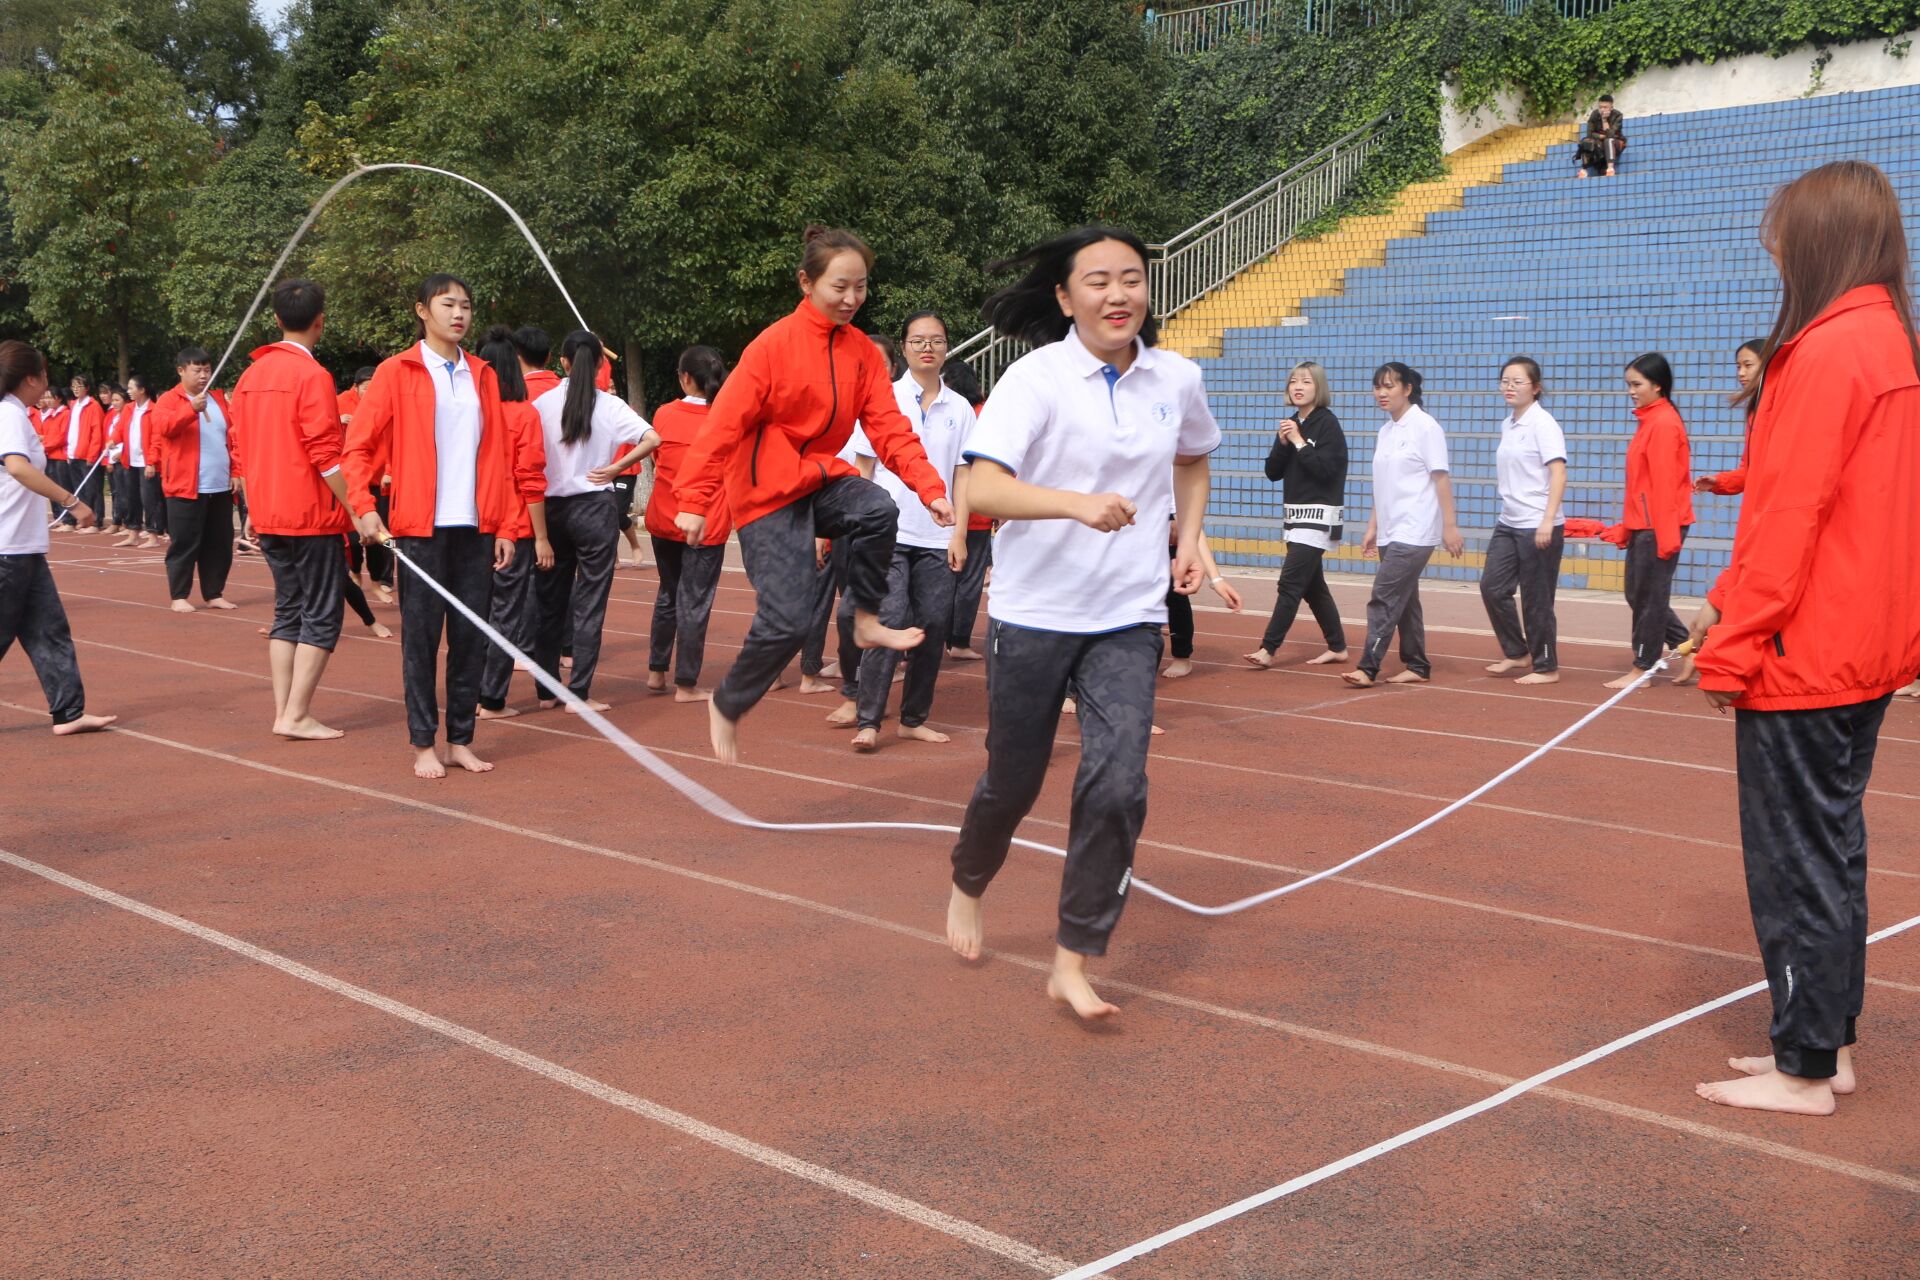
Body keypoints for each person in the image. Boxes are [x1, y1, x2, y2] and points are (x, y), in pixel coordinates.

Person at [1688, 160, 1920, 1116]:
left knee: (1795, 864)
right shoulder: (1884, 343)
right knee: (1831, 853)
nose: (1775, 255)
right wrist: (1723, 598)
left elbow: (1790, 518)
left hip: (1807, 655)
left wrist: (1732, 644)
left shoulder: (1827, 353)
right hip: (1852, 646)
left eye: (1784, 237)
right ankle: (1822, 1042)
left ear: (1821, 239)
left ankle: (1806, 1068)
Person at [945, 225, 1219, 1019]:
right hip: (1035, 613)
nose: (1118, 294)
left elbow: (1194, 456)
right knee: (1015, 780)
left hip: (1128, 618)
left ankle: (1073, 957)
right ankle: (969, 879)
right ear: (1066, 298)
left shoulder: (1176, 377)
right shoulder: (1035, 380)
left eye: (1131, 277)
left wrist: (1189, 538)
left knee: (1118, 784)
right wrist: (1076, 505)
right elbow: (985, 490)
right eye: (1097, 280)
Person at [673, 226, 952, 765]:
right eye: (839, 287)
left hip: (817, 477)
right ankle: (729, 704)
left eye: (862, 288)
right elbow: (723, 425)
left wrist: (931, 488)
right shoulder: (772, 347)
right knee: (789, 620)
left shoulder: (864, 355)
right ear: (806, 282)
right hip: (765, 491)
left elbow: (889, 428)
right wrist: (694, 497)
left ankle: (866, 616)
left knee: (878, 507)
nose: (852, 299)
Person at [344, 273, 519, 780]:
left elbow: (499, 457)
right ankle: (423, 742)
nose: (459, 313)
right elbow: (359, 446)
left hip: (476, 527)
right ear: (423, 310)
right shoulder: (396, 372)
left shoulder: (483, 374)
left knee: (471, 639)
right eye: (448, 304)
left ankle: (460, 738)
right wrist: (363, 503)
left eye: (466, 305)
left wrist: (507, 524)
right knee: (420, 640)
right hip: (419, 528)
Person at [228, 278, 361, 741]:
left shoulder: (250, 377)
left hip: (268, 511)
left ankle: (286, 709)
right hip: (308, 513)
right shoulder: (312, 376)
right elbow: (325, 454)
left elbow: (240, 449)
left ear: (278, 319)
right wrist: (358, 509)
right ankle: (296, 713)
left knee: (289, 608)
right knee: (322, 612)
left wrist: (250, 505)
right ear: (320, 321)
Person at [844, 311, 975, 752]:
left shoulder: (960, 409)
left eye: (936, 340)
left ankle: (913, 718)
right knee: (891, 620)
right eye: (918, 340)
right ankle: (869, 721)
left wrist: (958, 534)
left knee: (934, 626)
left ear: (946, 347)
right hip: (887, 536)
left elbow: (963, 475)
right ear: (903, 348)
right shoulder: (883, 400)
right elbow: (863, 469)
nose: (927, 348)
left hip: (937, 537)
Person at [530, 330, 659, 712]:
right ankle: (580, 692)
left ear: (564, 362)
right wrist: (617, 466)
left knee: (550, 601)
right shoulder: (611, 405)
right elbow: (653, 438)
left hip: (551, 510)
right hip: (594, 509)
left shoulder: (541, 403)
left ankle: (546, 691)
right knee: (590, 603)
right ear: (601, 365)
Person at [0, 341, 115, 734]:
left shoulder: (17, 413)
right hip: (6, 549)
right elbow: (17, 466)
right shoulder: (9, 415)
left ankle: (69, 712)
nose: (48, 382)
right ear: (31, 378)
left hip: (24, 547)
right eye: (45, 374)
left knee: (49, 629)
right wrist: (71, 500)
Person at [1343, 363, 1463, 688]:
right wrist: (1372, 526)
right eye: (1377, 386)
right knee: (1406, 600)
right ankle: (1418, 664)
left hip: (1417, 528)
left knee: (1383, 595)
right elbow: (1384, 485)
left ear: (1407, 389)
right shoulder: (1386, 431)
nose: (1381, 393)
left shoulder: (1426, 427)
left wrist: (1449, 526)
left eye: (1389, 386)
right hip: (1390, 529)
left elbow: (1441, 478)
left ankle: (1368, 666)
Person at [1243, 360, 1348, 671]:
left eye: (1306, 382)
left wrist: (1301, 442)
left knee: (1290, 583)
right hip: (1295, 517)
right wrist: (1282, 442)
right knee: (1313, 588)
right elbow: (1272, 472)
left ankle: (1268, 648)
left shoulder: (1328, 424)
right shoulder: (1290, 423)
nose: (1298, 387)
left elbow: (1328, 471)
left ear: (1319, 388)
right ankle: (1338, 645)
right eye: (1293, 382)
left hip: (1319, 516)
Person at [1598, 353, 1694, 689]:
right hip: (1646, 523)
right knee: (1639, 595)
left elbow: (1666, 486)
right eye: (1629, 385)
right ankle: (1692, 646)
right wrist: (1628, 525)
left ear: (1657, 385)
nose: (1631, 391)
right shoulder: (1650, 421)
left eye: (1636, 384)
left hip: (1659, 525)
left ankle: (1643, 666)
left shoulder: (1664, 424)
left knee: (1649, 598)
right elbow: (1639, 484)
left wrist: (1666, 537)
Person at [473, 326, 552, 721]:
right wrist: (542, 537)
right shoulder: (523, 414)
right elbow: (531, 478)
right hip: (515, 526)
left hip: (469, 524)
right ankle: (490, 698)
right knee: (506, 612)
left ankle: (469, 689)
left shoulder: (468, 412)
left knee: (473, 609)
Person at [645, 346, 731, 703]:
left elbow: (656, 456)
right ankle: (686, 683)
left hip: (664, 519)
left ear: (684, 377)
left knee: (669, 593)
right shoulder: (727, 419)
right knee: (694, 601)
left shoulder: (664, 414)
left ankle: (656, 671)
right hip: (706, 523)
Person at [1480, 357, 1567, 685]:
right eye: (1505, 380)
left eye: (1517, 381)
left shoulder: (1543, 424)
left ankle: (1546, 666)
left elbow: (1558, 472)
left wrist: (1548, 520)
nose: (1509, 387)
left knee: (1536, 597)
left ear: (1536, 387)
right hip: (1509, 521)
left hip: (1537, 523)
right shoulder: (1509, 424)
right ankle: (1516, 651)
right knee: (1492, 587)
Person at [147, 347, 238, 612]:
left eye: (207, 370)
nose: (203, 375)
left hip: (219, 484)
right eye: (197, 370)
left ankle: (214, 592)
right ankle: (179, 595)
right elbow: (164, 428)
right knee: (185, 543)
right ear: (181, 371)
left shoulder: (218, 400)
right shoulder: (169, 400)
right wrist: (190, 410)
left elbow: (233, 439)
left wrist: (236, 472)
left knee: (219, 543)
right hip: (185, 486)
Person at [940, 358, 992, 662]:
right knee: (970, 579)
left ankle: (939, 637)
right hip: (977, 512)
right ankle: (958, 640)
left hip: (944, 509)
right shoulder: (984, 414)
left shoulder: (952, 412)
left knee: (943, 577)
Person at [1695, 339, 1766, 497]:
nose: (1741, 373)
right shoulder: (1755, 410)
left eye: (1748, 365)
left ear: (1768, 365)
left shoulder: (1782, 406)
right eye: (1738, 366)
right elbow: (1748, 472)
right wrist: (1718, 481)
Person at [121, 375, 165, 548]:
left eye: (132, 388)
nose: (128, 391)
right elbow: (121, 429)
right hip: (130, 460)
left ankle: (153, 535)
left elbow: (157, 438)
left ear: (142, 390)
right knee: (131, 498)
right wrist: (112, 440)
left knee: (150, 499)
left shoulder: (154, 410)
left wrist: (151, 462)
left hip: (147, 462)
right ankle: (133, 533)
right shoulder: (129, 409)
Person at [59, 375, 107, 534]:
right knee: (79, 489)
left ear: (87, 388)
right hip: (74, 453)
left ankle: (96, 521)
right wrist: (68, 450)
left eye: (79, 386)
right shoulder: (73, 405)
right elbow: (71, 430)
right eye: (73, 386)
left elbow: (96, 433)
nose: (76, 389)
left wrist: (92, 455)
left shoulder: (93, 406)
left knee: (92, 488)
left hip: (87, 455)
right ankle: (85, 519)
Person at [1575, 93, 1626, 179]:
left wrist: (1604, 120)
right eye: (1600, 107)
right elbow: (1589, 134)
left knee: (1608, 140)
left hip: (1616, 143)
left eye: (1605, 107)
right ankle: (1584, 169)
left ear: (1611, 107)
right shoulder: (1594, 114)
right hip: (1599, 143)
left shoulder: (1618, 115)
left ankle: (1610, 168)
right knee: (1586, 141)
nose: (1602, 109)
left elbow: (1611, 135)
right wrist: (1600, 136)